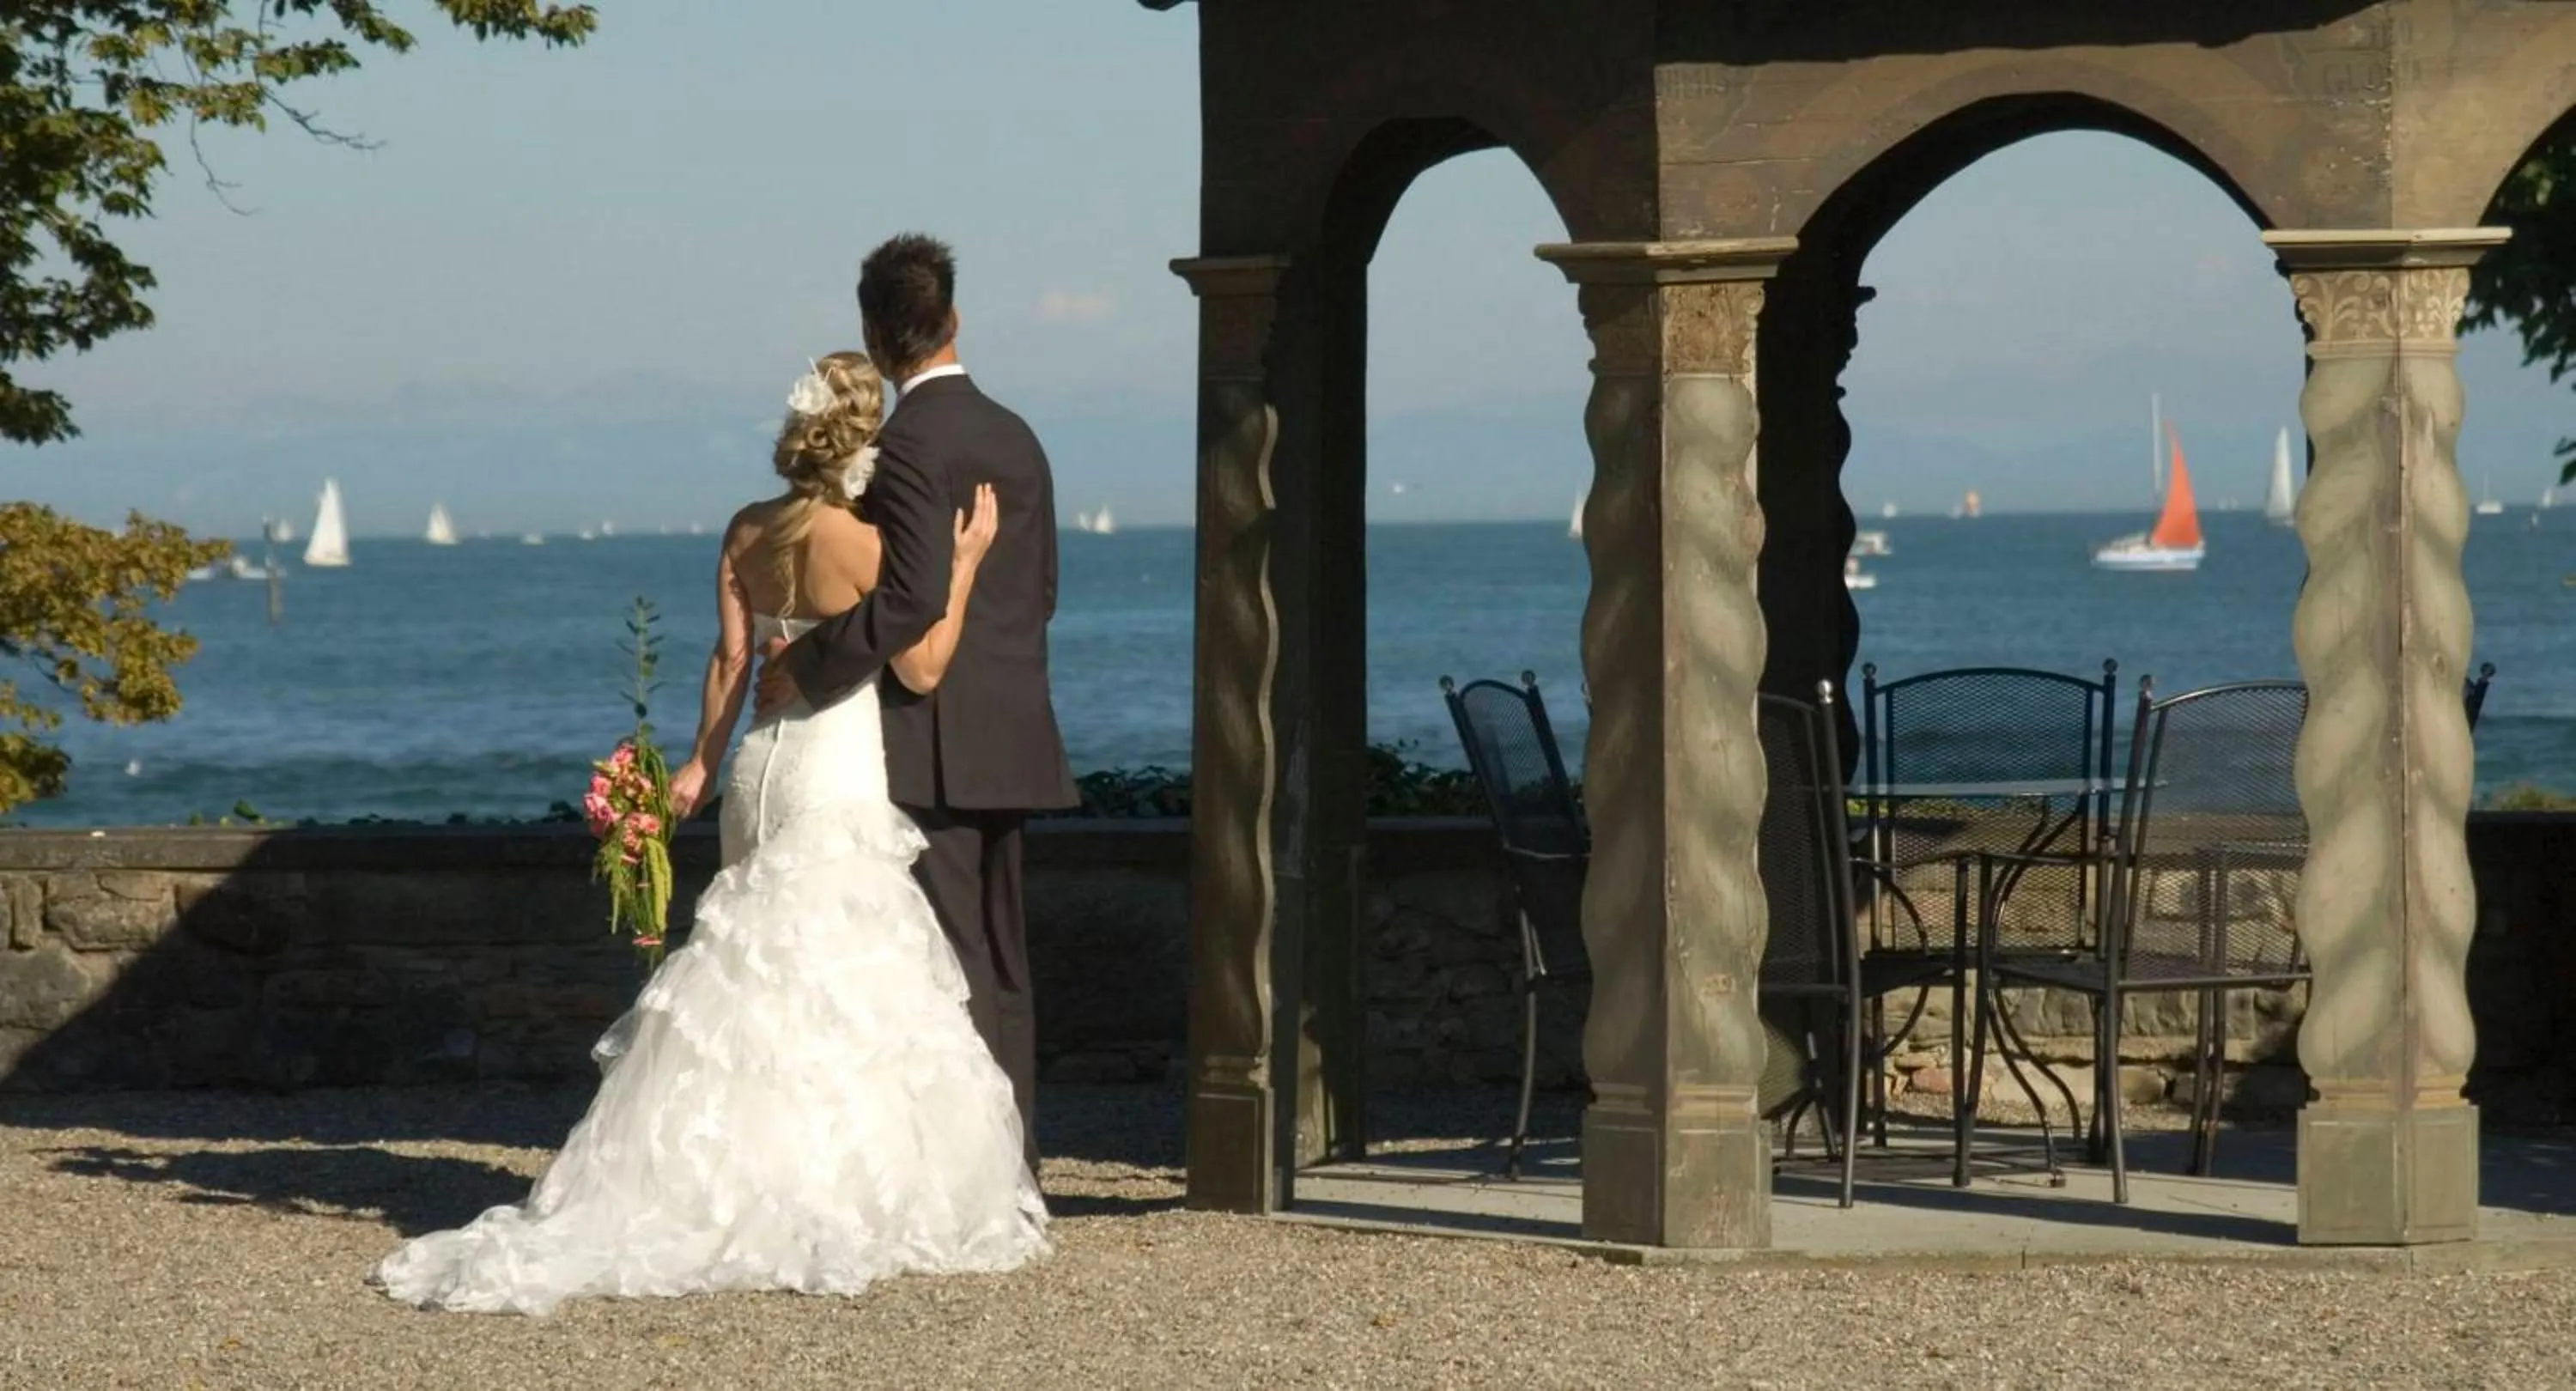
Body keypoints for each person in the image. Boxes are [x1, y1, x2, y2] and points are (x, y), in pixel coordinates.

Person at [372, 351, 1048, 1316]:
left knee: (752, 976)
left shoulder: (746, 529)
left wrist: (695, 763)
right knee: (838, 983)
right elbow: (926, 668)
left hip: (755, 778)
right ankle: (821, 1185)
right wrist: (969, 557)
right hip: (835, 769)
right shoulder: (866, 547)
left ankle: (717, 1174)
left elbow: (732, 660)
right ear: (864, 445)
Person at [754, 233, 1079, 1168]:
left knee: (946, 963)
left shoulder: (907, 445)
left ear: (873, 329)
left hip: (932, 734)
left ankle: (969, 1172)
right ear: (954, 320)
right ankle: (1009, 1159)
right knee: (1002, 963)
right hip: (1013, 725)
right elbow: (1044, 589)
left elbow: (907, 600)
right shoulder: (1017, 434)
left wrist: (809, 665)